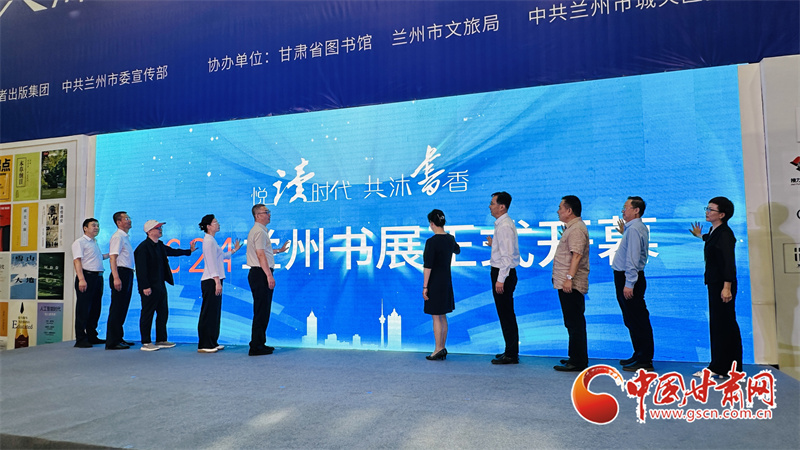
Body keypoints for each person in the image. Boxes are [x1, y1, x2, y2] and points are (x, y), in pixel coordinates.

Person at [690, 196, 743, 378]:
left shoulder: (725, 234)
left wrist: (726, 287)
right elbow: (711, 241)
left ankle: (721, 367)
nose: (707, 212)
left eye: (711, 209)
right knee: (721, 324)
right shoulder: (715, 231)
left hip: (722, 285)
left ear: (722, 214)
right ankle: (727, 367)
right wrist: (700, 236)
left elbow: (728, 262)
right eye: (707, 208)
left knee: (724, 325)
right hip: (715, 283)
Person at [134, 220, 197, 351]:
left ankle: (161, 339)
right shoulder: (143, 248)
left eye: (160, 227)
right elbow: (141, 270)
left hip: (160, 284)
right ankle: (146, 341)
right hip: (149, 286)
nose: (160, 230)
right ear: (149, 231)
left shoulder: (160, 245)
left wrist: (189, 251)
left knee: (163, 312)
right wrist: (145, 286)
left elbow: (172, 251)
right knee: (147, 313)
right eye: (157, 228)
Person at [612, 196, 655, 372]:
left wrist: (629, 282)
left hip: (629, 278)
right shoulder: (633, 228)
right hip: (628, 277)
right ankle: (638, 354)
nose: (623, 211)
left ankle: (644, 359)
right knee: (632, 319)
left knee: (637, 319)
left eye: (626, 207)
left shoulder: (635, 229)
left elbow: (633, 258)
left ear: (636, 210)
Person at [552, 196, 590, 372]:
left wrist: (569, 278)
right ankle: (574, 356)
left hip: (571, 284)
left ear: (569, 210)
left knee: (575, 322)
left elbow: (577, 255)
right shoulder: (572, 228)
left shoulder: (576, 229)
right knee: (572, 322)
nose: (558, 211)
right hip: (567, 282)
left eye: (561, 208)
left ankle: (578, 360)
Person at [246, 204, 289, 356]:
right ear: (257, 215)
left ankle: (259, 343)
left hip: (258, 273)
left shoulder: (259, 231)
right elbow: (260, 255)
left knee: (262, 310)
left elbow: (264, 251)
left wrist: (279, 250)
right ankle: (256, 346)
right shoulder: (259, 231)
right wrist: (269, 275)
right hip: (260, 274)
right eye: (266, 212)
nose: (269, 214)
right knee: (261, 311)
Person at [197, 214, 241, 353]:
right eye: (215, 222)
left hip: (214, 280)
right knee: (208, 312)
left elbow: (221, 256)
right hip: (211, 280)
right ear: (208, 226)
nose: (218, 224)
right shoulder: (208, 241)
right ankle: (205, 344)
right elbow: (211, 262)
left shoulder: (212, 240)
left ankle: (212, 342)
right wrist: (216, 281)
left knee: (214, 313)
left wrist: (234, 250)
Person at [422, 209, 461, 361]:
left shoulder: (431, 242)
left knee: (436, 317)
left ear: (432, 223)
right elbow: (457, 250)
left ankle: (438, 348)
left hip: (435, 282)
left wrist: (425, 287)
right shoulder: (450, 239)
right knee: (443, 315)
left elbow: (428, 266)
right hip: (446, 282)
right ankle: (442, 347)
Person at [487, 191, 521, 364]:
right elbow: (504, 250)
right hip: (502, 272)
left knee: (506, 313)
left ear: (502, 207)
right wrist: (494, 245)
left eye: (493, 203)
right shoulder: (502, 224)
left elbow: (507, 257)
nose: (490, 206)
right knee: (505, 313)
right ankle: (510, 350)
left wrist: (501, 279)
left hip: (503, 273)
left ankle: (511, 353)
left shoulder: (505, 226)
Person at [71, 218, 109, 348]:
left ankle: (92, 335)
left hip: (98, 277)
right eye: (93, 225)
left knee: (95, 308)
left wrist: (111, 255)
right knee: (83, 308)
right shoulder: (80, 242)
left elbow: (97, 258)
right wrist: (81, 279)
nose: (96, 228)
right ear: (85, 228)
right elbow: (77, 261)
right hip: (86, 277)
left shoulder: (94, 242)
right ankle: (80, 338)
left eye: (97, 225)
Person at [106, 211, 136, 350]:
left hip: (127, 273)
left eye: (129, 218)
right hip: (120, 273)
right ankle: (112, 341)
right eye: (126, 218)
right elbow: (113, 258)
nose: (129, 220)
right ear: (119, 222)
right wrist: (116, 277)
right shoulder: (117, 237)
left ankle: (118, 337)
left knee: (123, 307)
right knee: (117, 307)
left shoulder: (125, 237)